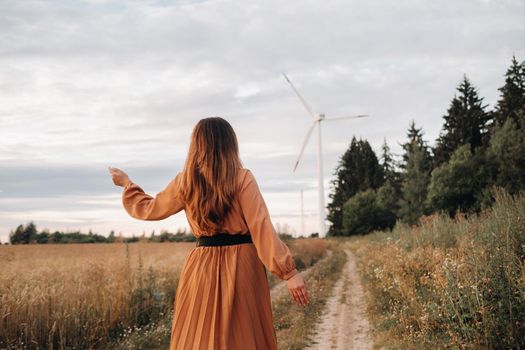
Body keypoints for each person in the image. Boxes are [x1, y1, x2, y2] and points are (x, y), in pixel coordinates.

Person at [108, 116, 309, 349]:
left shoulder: (185, 181)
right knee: (243, 336)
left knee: (201, 337)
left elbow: (149, 209)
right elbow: (261, 226)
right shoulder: (242, 177)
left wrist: (127, 184)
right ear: (230, 144)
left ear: (197, 144)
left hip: (201, 265)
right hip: (243, 263)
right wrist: (289, 272)